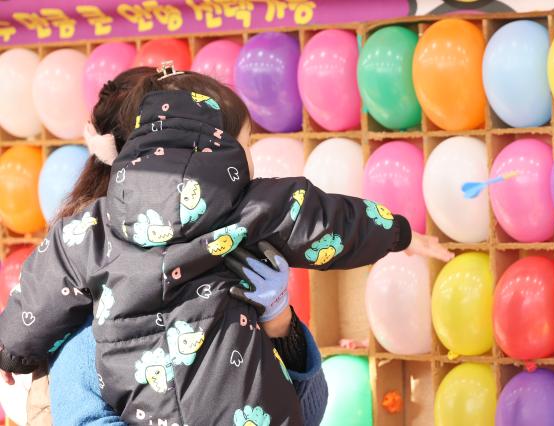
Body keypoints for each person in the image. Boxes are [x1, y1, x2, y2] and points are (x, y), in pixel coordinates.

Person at [0, 64, 453, 425]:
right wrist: (396, 234)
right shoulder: (245, 212)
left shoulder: (91, 232)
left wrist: (282, 326)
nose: (251, 159)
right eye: (245, 145)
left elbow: (42, 291)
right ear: (216, 153)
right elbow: (323, 219)